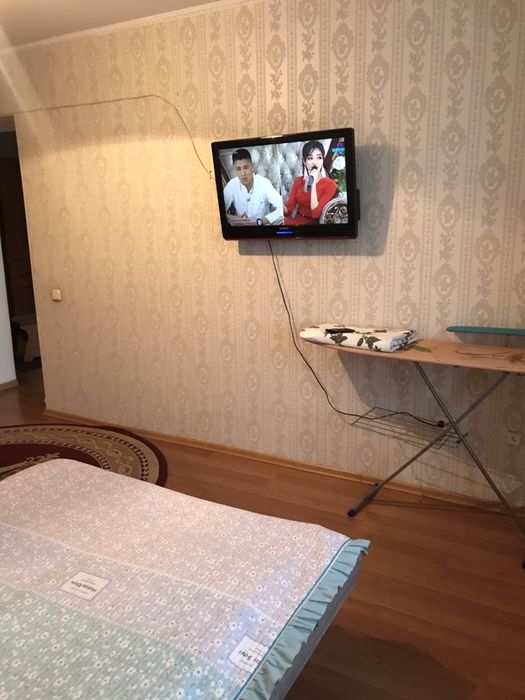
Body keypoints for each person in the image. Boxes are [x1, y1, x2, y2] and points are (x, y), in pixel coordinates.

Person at [223, 149, 283, 226]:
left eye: (246, 167)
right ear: (234, 170)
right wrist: (235, 218)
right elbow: (217, 211)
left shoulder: (264, 183)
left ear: (252, 167)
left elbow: (282, 209)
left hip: (262, 229)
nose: (242, 173)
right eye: (238, 169)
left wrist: (260, 221)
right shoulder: (232, 185)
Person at [284, 141, 337, 225]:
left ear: (323, 160)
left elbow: (315, 214)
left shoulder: (330, 184)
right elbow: (288, 212)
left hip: (313, 225)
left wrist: (313, 183)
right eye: (310, 158)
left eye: (319, 158)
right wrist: (278, 204)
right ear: (304, 161)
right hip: (295, 222)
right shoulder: (298, 181)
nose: (315, 162)